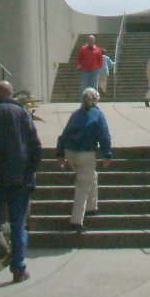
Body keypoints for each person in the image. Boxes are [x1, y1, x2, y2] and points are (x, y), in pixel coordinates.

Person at [0, 80, 42, 284]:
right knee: (18, 223)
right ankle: (18, 268)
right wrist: (29, 171)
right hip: (19, 179)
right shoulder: (23, 114)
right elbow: (35, 147)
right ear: (11, 94)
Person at [56, 87, 112, 232]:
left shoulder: (75, 114)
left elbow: (64, 134)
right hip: (86, 153)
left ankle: (92, 207)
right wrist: (107, 154)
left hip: (70, 152)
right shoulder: (98, 114)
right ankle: (76, 221)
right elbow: (104, 136)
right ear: (96, 100)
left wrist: (60, 154)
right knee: (82, 186)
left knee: (91, 176)